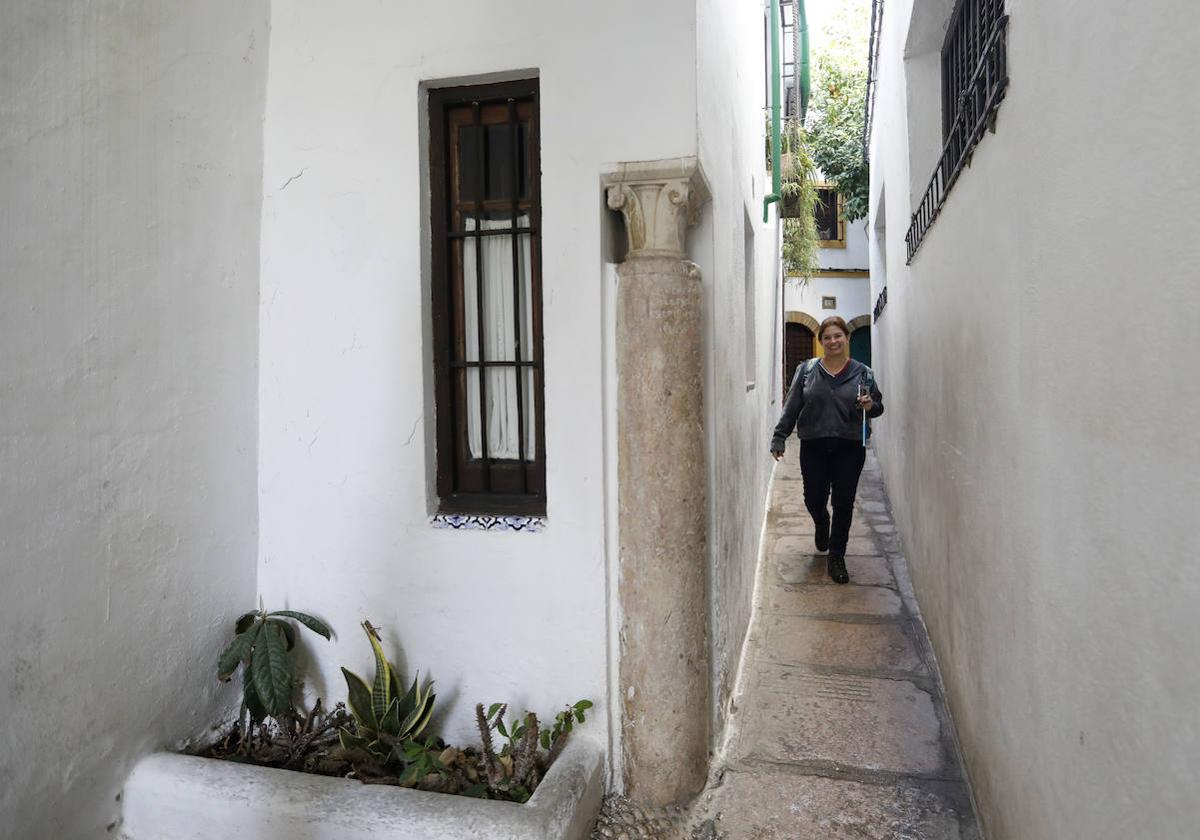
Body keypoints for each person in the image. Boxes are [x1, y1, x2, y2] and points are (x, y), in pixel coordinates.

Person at [770, 316, 884, 584]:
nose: (833, 341)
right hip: (814, 445)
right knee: (813, 498)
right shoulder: (808, 370)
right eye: (827, 337)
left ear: (846, 338)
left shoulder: (863, 372)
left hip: (850, 446)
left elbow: (878, 407)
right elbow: (793, 405)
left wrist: (870, 406)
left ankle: (837, 556)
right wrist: (779, 436)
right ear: (821, 342)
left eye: (838, 336)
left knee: (843, 503)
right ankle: (821, 521)